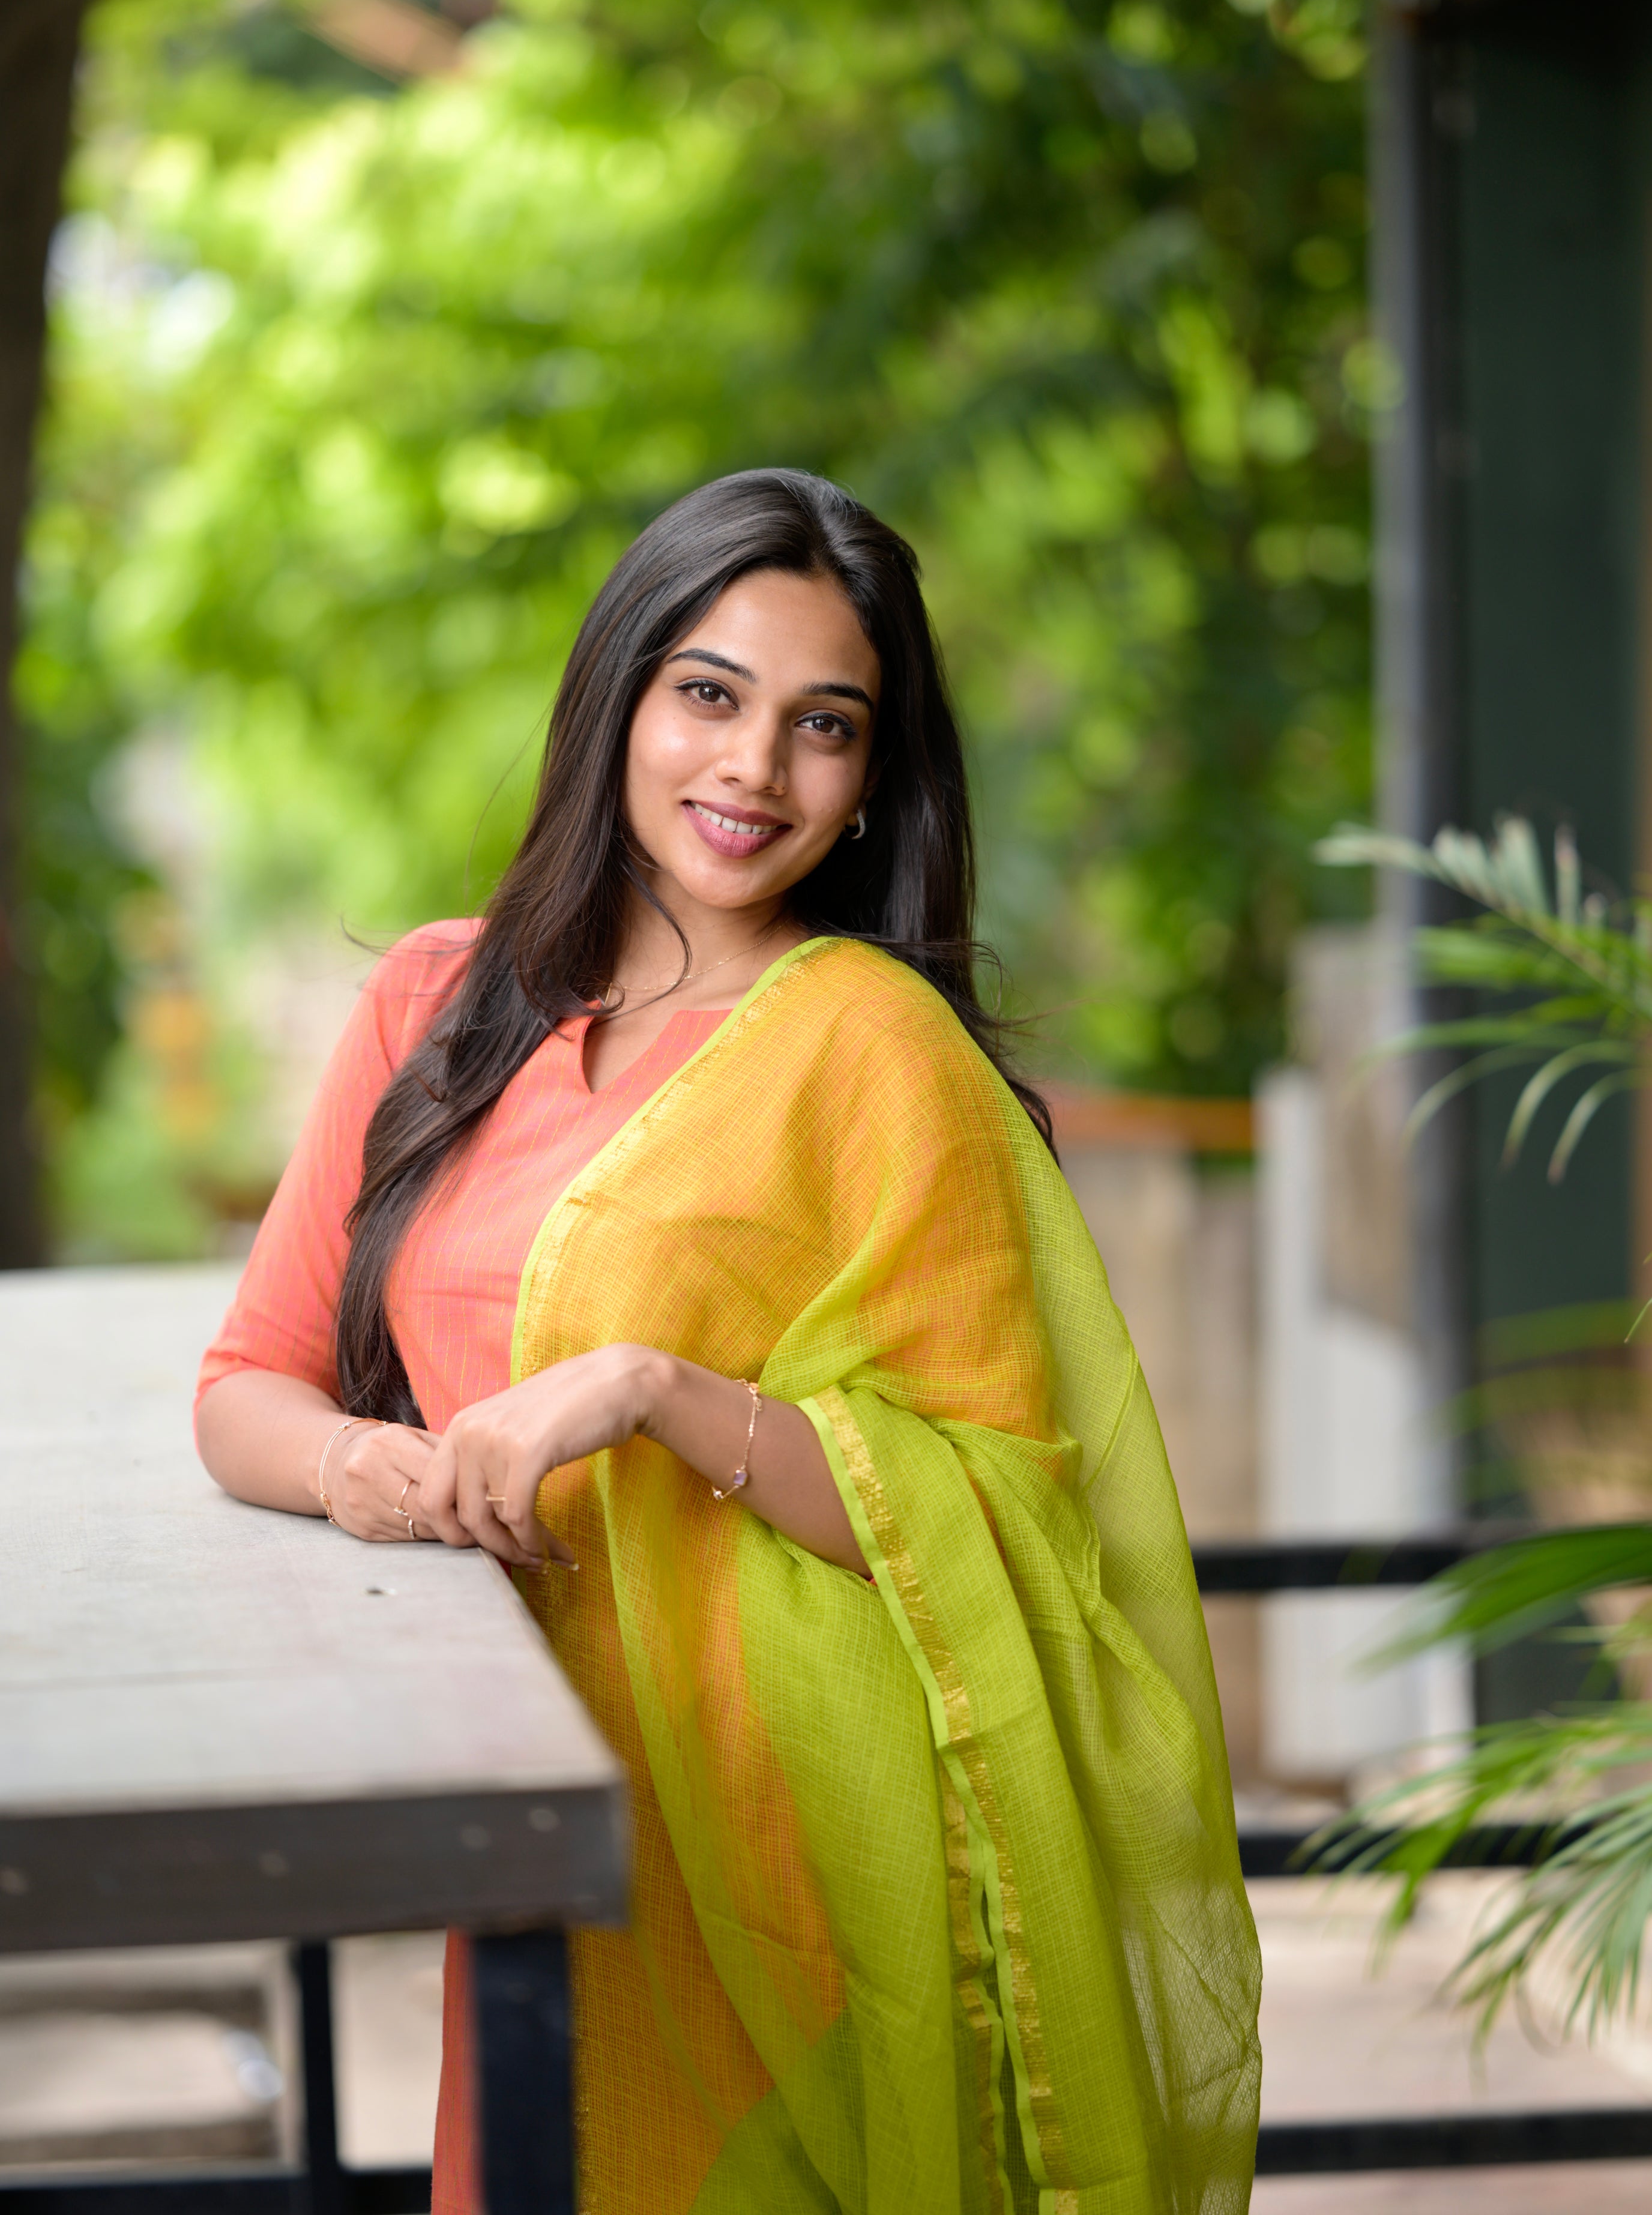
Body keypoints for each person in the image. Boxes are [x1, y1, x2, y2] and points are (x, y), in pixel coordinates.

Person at [196, 468, 1261, 2215]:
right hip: (533, 1796)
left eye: (822, 726)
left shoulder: (871, 1053)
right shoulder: (440, 1008)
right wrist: (365, 1469)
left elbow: (999, 1512)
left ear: (870, 784)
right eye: (709, 693)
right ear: (619, 695)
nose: (754, 770)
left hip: (791, 1856)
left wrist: (652, 1394)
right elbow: (248, 1384)